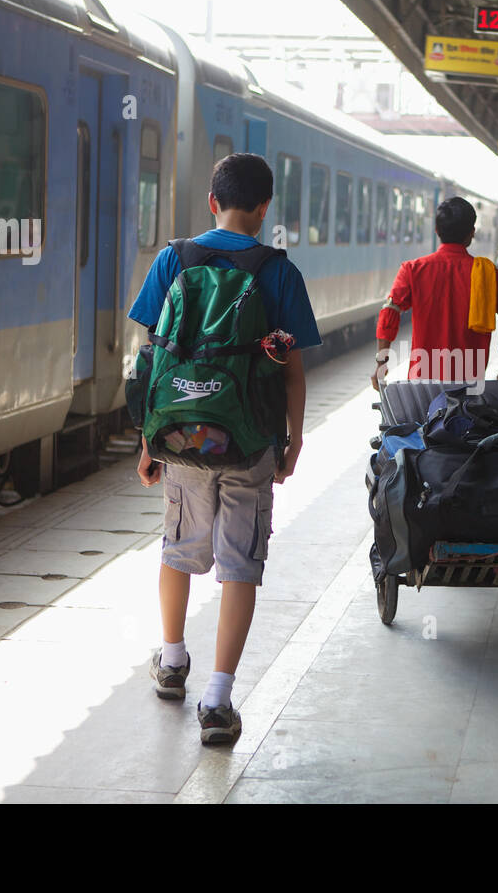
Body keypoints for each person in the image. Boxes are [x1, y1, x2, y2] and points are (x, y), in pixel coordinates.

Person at [130, 153, 321, 745]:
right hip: (249, 443)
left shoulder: (173, 258)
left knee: (178, 545)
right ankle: (217, 700)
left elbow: (151, 359)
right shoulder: (279, 273)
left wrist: (148, 441)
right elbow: (292, 372)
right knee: (240, 564)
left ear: (213, 202)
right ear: (264, 210)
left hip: (183, 439)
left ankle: (171, 660)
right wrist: (288, 445)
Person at [372, 196, 498, 387]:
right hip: (469, 383)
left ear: (437, 231)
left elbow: (390, 311)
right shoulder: (490, 275)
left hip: (422, 383)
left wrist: (381, 365)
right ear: (472, 233)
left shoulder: (413, 269)